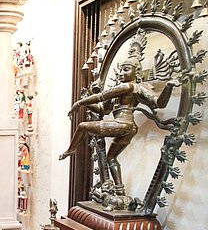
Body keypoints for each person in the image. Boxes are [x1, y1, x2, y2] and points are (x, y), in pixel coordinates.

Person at [59, 58, 178, 196]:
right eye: (121, 70)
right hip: (129, 129)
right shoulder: (121, 92)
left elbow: (159, 103)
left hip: (123, 124)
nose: (121, 73)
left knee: (83, 126)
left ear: (137, 72)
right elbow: (103, 109)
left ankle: (71, 150)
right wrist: (85, 102)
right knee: (111, 158)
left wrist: (79, 103)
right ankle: (120, 191)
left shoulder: (129, 87)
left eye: (126, 69)